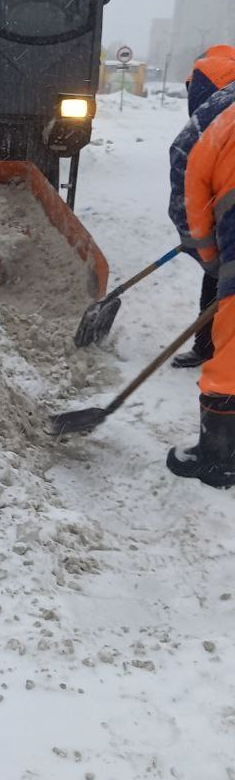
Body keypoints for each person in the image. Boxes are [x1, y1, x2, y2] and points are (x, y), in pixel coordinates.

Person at [167, 54, 235, 487]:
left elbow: (188, 207)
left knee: (231, 349)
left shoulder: (206, 124)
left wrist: (212, 261)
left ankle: (218, 458)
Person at [171, 45, 235, 368]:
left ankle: (216, 359)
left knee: (222, 274)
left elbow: (184, 191)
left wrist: (201, 244)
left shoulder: (209, 121)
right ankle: (208, 346)